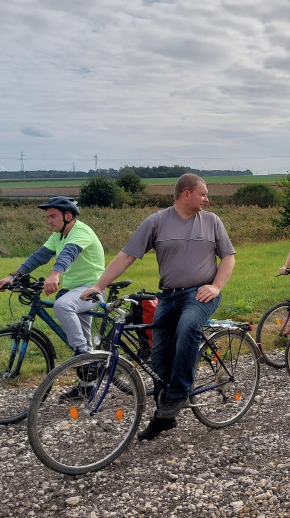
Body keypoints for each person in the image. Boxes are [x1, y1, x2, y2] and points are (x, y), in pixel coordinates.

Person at [81, 173, 235, 440]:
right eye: (203, 194)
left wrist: (216, 286)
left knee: (188, 325)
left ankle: (179, 394)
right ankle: (164, 415)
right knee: (158, 358)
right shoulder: (157, 222)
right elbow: (127, 255)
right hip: (168, 296)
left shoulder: (211, 221)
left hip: (200, 294)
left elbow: (229, 257)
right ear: (186, 194)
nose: (207, 199)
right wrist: (100, 285)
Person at [0, 197, 104, 358]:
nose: (49, 221)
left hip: (93, 288)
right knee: (83, 336)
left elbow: (68, 254)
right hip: (74, 290)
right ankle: (87, 380)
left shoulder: (81, 232)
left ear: (68, 216)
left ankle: (82, 354)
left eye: (53, 216)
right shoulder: (58, 235)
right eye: (48, 217)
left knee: (63, 306)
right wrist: (13, 276)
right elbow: (39, 257)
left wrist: (54, 274)